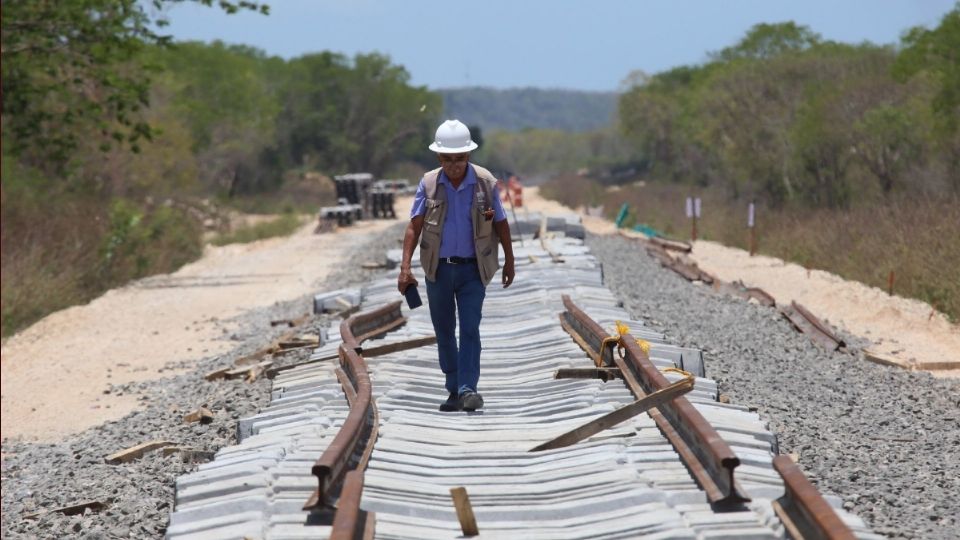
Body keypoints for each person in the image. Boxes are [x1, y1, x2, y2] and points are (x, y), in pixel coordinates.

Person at [397, 120, 516, 412]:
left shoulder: (485, 183)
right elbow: (415, 226)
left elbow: (500, 223)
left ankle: (468, 389)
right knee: (445, 330)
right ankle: (453, 388)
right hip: (438, 269)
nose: (454, 165)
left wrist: (509, 261)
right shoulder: (428, 184)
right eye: (448, 159)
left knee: (471, 328)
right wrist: (405, 268)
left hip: (473, 271)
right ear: (439, 158)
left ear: (468, 157)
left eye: (459, 159)